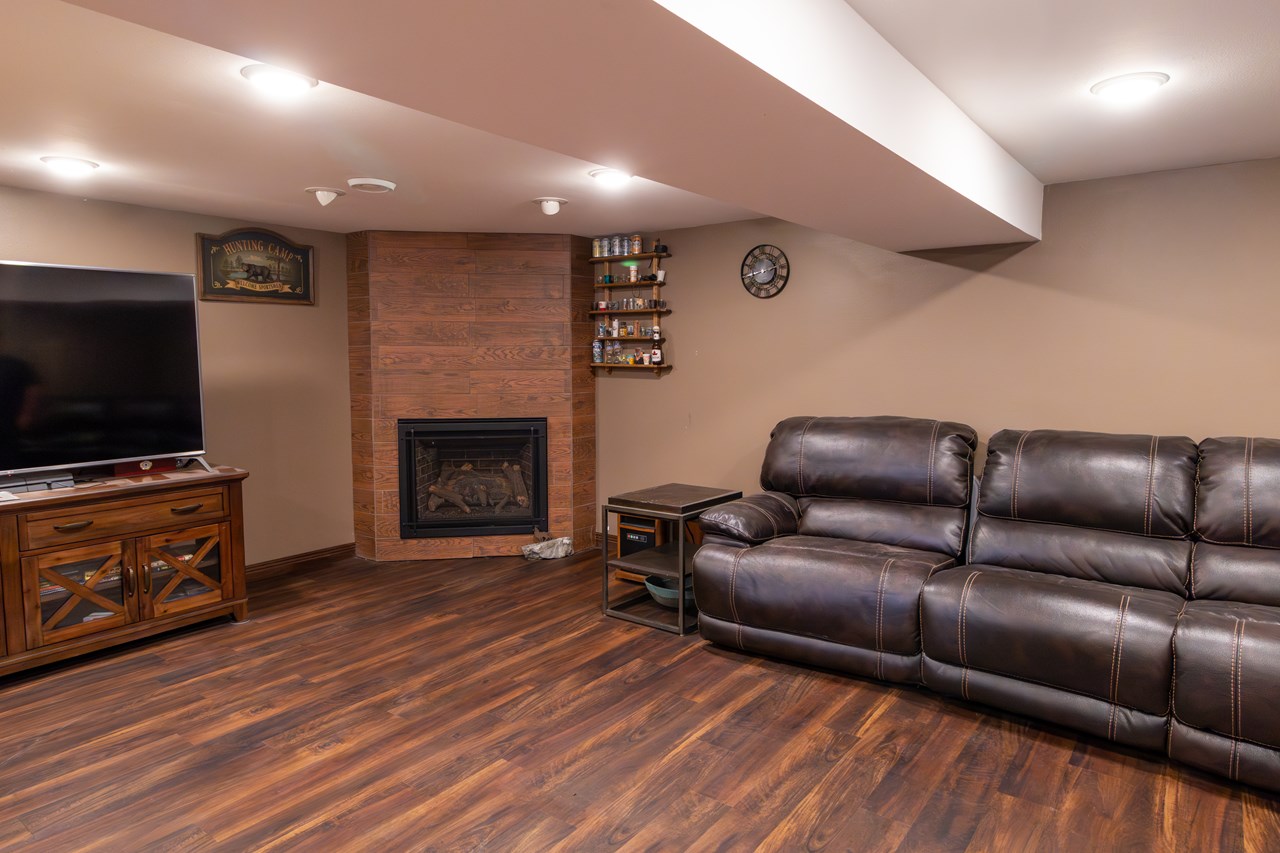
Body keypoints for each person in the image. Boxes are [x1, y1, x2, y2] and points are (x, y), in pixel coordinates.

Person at [0, 352, 39, 471]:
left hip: (10, 421)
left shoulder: (16, 365)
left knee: (9, 458)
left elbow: (33, 389)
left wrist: (26, 414)